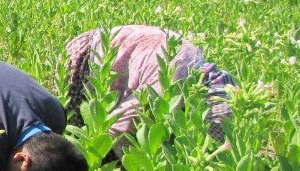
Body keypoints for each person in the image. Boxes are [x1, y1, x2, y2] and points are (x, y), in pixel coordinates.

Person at [64, 25, 237, 151]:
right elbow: (117, 130)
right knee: (86, 135)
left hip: (122, 50)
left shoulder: (202, 76)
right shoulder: (168, 85)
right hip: (90, 56)